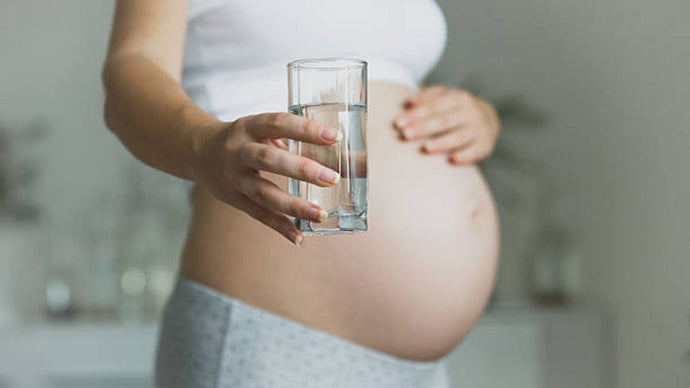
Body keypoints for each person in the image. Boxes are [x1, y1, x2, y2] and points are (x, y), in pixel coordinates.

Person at [102, 1, 500, 387]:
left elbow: (385, 74)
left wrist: (475, 117)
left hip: (421, 372)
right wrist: (206, 146)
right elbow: (132, 69)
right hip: (272, 338)